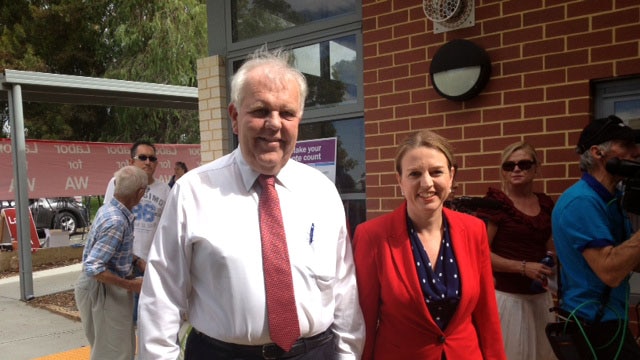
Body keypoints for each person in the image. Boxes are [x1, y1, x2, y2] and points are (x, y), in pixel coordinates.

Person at [138, 47, 364, 359]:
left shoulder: (322, 192)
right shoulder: (194, 191)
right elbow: (161, 297)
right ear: (234, 116)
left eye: (287, 113)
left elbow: (344, 292)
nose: (274, 124)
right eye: (260, 111)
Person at [352, 129, 506, 360]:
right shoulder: (372, 236)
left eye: (436, 172)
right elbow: (364, 320)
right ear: (400, 180)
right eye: (414, 174)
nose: (426, 183)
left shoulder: (474, 230)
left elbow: (487, 315)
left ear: (451, 176)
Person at [552, 115, 640, 358]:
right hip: (593, 324)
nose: (636, 152)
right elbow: (610, 270)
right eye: (626, 145)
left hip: (611, 320)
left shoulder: (611, 200)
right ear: (597, 152)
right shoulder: (582, 201)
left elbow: (631, 259)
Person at [475, 141, 556, 360]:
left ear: (536, 167)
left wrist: (554, 268)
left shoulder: (546, 203)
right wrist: (522, 267)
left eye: (523, 164)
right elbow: (480, 254)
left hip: (540, 298)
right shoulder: (496, 204)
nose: (516, 169)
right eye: (509, 166)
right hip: (508, 300)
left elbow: (550, 246)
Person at [74, 165, 148, 360]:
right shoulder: (116, 221)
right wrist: (130, 285)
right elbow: (93, 267)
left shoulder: (111, 210)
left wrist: (137, 261)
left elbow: (110, 250)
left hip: (105, 288)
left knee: (118, 350)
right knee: (113, 354)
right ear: (140, 192)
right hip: (103, 290)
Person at [104, 140, 170, 324]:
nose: (148, 162)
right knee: (123, 322)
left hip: (151, 265)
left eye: (152, 158)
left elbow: (168, 230)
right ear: (131, 161)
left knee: (150, 321)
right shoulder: (117, 182)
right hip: (123, 263)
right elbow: (109, 220)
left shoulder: (165, 190)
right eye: (142, 157)